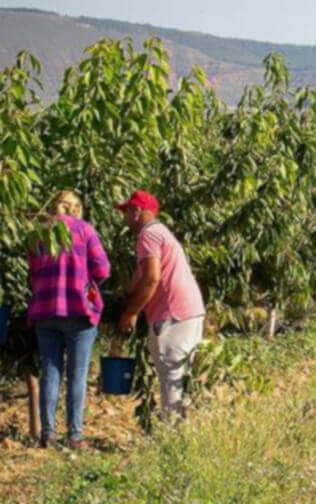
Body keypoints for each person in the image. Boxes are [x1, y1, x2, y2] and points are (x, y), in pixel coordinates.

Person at [27, 190, 110, 449]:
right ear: (76, 208)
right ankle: (74, 435)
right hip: (78, 310)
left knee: (50, 372)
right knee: (77, 374)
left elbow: (32, 271)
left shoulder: (38, 234)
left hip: (45, 310)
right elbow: (102, 268)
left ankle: (48, 434)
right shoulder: (84, 230)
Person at [116, 189, 205, 418]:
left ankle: (173, 430)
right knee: (183, 375)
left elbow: (151, 278)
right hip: (190, 310)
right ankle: (184, 426)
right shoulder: (160, 232)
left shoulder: (148, 235)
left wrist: (131, 312)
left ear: (137, 211)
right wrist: (125, 293)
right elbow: (141, 273)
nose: (124, 217)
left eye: (127, 211)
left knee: (172, 374)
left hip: (172, 314)